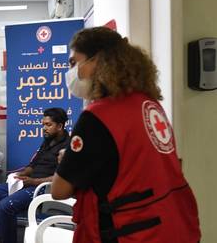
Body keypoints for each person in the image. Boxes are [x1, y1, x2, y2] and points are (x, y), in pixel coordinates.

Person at [51, 27, 201, 243]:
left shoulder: (97, 117)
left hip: (130, 231)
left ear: (98, 61)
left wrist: (68, 162)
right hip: (173, 224)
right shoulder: (149, 105)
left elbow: (60, 190)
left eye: (75, 63)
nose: (71, 72)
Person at [0, 108, 69, 243]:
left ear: (60, 126)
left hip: (42, 188)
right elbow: (32, 166)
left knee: (5, 206)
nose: (44, 128)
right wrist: (20, 174)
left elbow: (59, 178)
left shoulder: (67, 148)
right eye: (43, 124)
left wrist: (33, 181)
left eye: (48, 125)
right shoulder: (47, 141)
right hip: (26, 183)